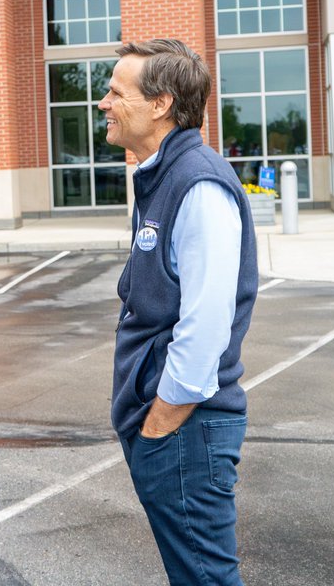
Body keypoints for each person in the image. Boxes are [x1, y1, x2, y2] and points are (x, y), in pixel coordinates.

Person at [99, 38, 257, 586]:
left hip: (186, 428)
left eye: (116, 92)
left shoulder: (198, 184)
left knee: (205, 579)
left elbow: (205, 325)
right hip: (170, 426)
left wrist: (160, 427)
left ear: (161, 104)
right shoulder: (163, 174)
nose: (103, 103)